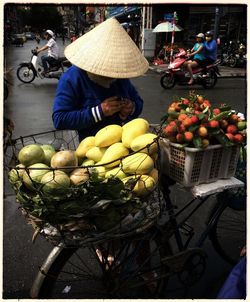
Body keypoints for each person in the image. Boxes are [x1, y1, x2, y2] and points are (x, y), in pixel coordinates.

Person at [52, 17, 148, 141]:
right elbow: (60, 119)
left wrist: (131, 108)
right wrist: (100, 111)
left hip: (121, 143)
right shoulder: (72, 78)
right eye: (107, 72)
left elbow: (138, 102)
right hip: (89, 146)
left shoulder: (120, 77)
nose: (111, 76)